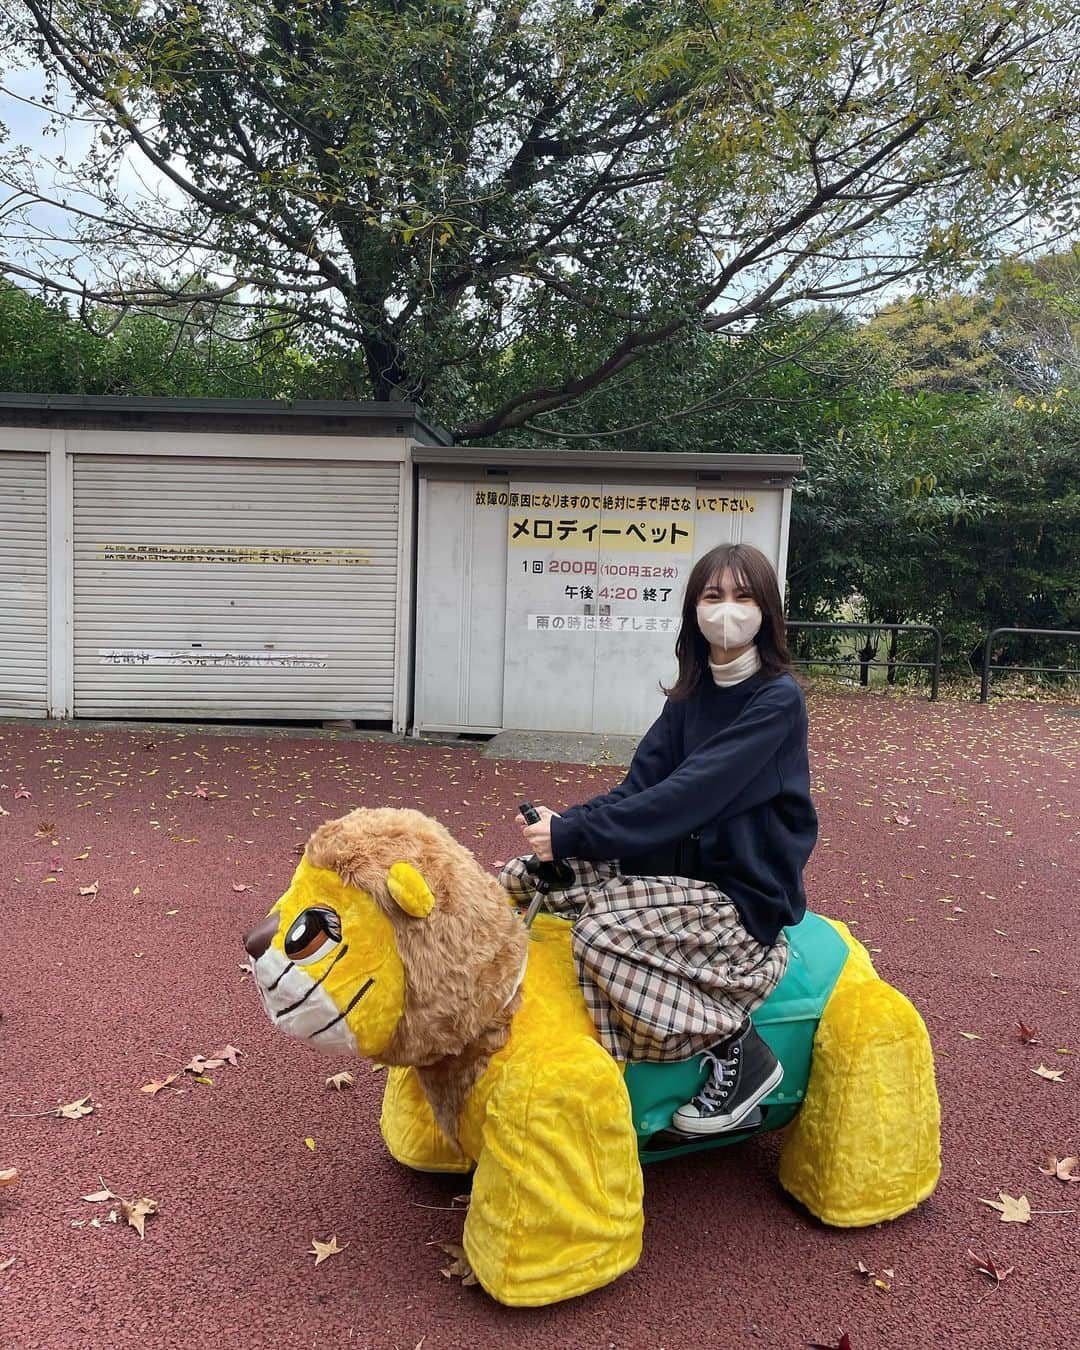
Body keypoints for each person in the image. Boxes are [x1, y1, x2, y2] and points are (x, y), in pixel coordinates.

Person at [502, 542, 818, 1135]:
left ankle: (738, 1046)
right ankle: (592, 1070)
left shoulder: (777, 701)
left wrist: (577, 833)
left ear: (767, 611)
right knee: (520, 876)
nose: (727, 610)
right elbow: (639, 787)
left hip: (737, 894)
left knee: (600, 934)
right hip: (678, 874)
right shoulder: (690, 700)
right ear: (694, 611)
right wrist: (561, 829)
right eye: (713, 596)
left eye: (743, 597)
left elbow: (690, 795)